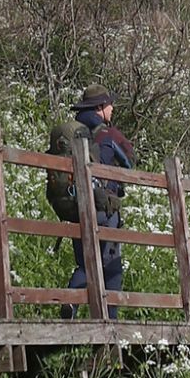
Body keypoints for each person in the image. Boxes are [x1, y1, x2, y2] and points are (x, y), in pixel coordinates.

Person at [58, 83, 135, 320]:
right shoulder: (108, 134)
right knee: (110, 267)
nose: (112, 108)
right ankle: (110, 323)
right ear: (101, 107)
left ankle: (70, 306)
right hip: (103, 208)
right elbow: (130, 162)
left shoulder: (72, 132)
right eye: (109, 104)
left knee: (86, 263)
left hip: (76, 205)